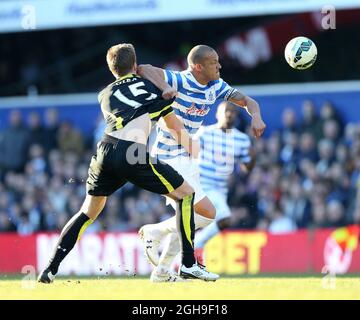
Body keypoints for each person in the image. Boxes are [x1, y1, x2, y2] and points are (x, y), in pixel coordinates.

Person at [37, 43, 218, 283]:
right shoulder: (149, 87)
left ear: (112, 69)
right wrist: (191, 146)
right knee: (186, 194)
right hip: (132, 152)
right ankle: (187, 264)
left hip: (105, 150)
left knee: (87, 212)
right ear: (134, 64)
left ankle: (49, 269)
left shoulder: (104, 94)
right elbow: (173, 126)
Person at [137, 45, 265, 282]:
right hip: (168, 157)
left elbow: (248, 101)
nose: (219, 65)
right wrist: (165, 87)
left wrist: (255, 115)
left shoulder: (216, 86)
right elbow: (143, 68)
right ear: (198, 66)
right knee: (206, 213)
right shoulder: (180, 80)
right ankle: (157, 236)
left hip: (186, 157)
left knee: (191, 218)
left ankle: (162, 270)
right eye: (214, 62)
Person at [142, 101, 256, 279]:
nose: (230, 114)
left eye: (233, 111)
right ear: (217, 114)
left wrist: (252, 158)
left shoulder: (241, 139)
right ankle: (189, 245)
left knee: (186, 225)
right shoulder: (205, 132)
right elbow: (188, 149)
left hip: (219, 189)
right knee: (221, 216)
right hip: (199, 183)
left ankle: (162, 270)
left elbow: (247, 167)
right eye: (226, 110)